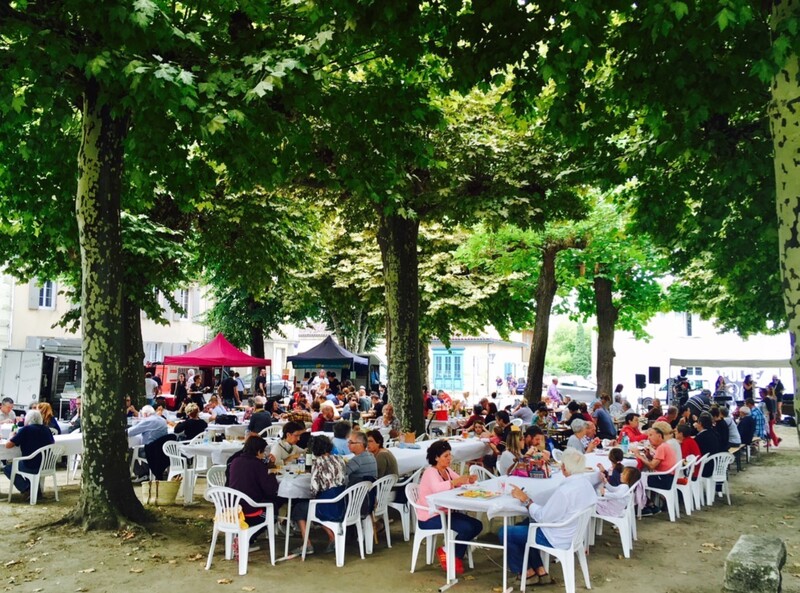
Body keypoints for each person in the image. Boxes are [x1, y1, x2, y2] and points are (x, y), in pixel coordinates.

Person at [498, 448, 598, 583]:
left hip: (555, 536)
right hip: (573, 534)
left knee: (504, 532)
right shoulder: (586, 484)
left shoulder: (565, 491)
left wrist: (526, 500)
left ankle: (526, 573)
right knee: (524, 525)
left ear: (564, 468)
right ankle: (539, 569)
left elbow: (543, 517)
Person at [417, 440, 481, 575]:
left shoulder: (446, 470)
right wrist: (456, 482)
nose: (449, 458)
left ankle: (451, 552)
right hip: (430, 516)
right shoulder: (431, 472)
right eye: (446, 456)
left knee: (477, 525)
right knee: (467, 528)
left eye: (449, 455)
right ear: (436, 458)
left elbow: (458, 481)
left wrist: (468, 480)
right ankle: (452, 553)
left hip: (445, 512)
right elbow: (437, 488)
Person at [290, 435, 347, 556]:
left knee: (300, 509)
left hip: (328, 505)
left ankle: (307, 544)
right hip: (342, 502)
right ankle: (332, 537)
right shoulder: (339, 458)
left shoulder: (318, 462)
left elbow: (314, 488)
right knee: (313, 507)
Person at [227, 436, 284, 551]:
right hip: (251, 508)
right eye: (263, 452)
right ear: (259, 451)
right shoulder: (258, 465)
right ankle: (246, 538)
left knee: (271, 503)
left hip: (233, 505)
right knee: (274, 509)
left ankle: (243, 536)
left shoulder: (235, 461)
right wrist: (270, 468)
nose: (264, 455)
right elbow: (271, 489)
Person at [3, 409, 55, 496]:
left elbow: (8, 445)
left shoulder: (26, 429)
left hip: (31, 464)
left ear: (27, 419)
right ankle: (35, 491)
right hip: (46, 464)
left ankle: (26, 489)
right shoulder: (47, 429)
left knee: (8, 468)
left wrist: (11, 436)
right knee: (25, 463)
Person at [634, 422, 679, 516]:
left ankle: (642, 507)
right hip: (668, 478)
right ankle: (648, 504)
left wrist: (639, 456)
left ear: (659, 436)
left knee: (635, 478)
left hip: (664, 479)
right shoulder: (665, 445)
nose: (648, 438)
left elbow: (652, 466)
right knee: (639, 477)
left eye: (651, 435)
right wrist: (648, 456)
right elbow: (657, 462)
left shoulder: (662, 447)